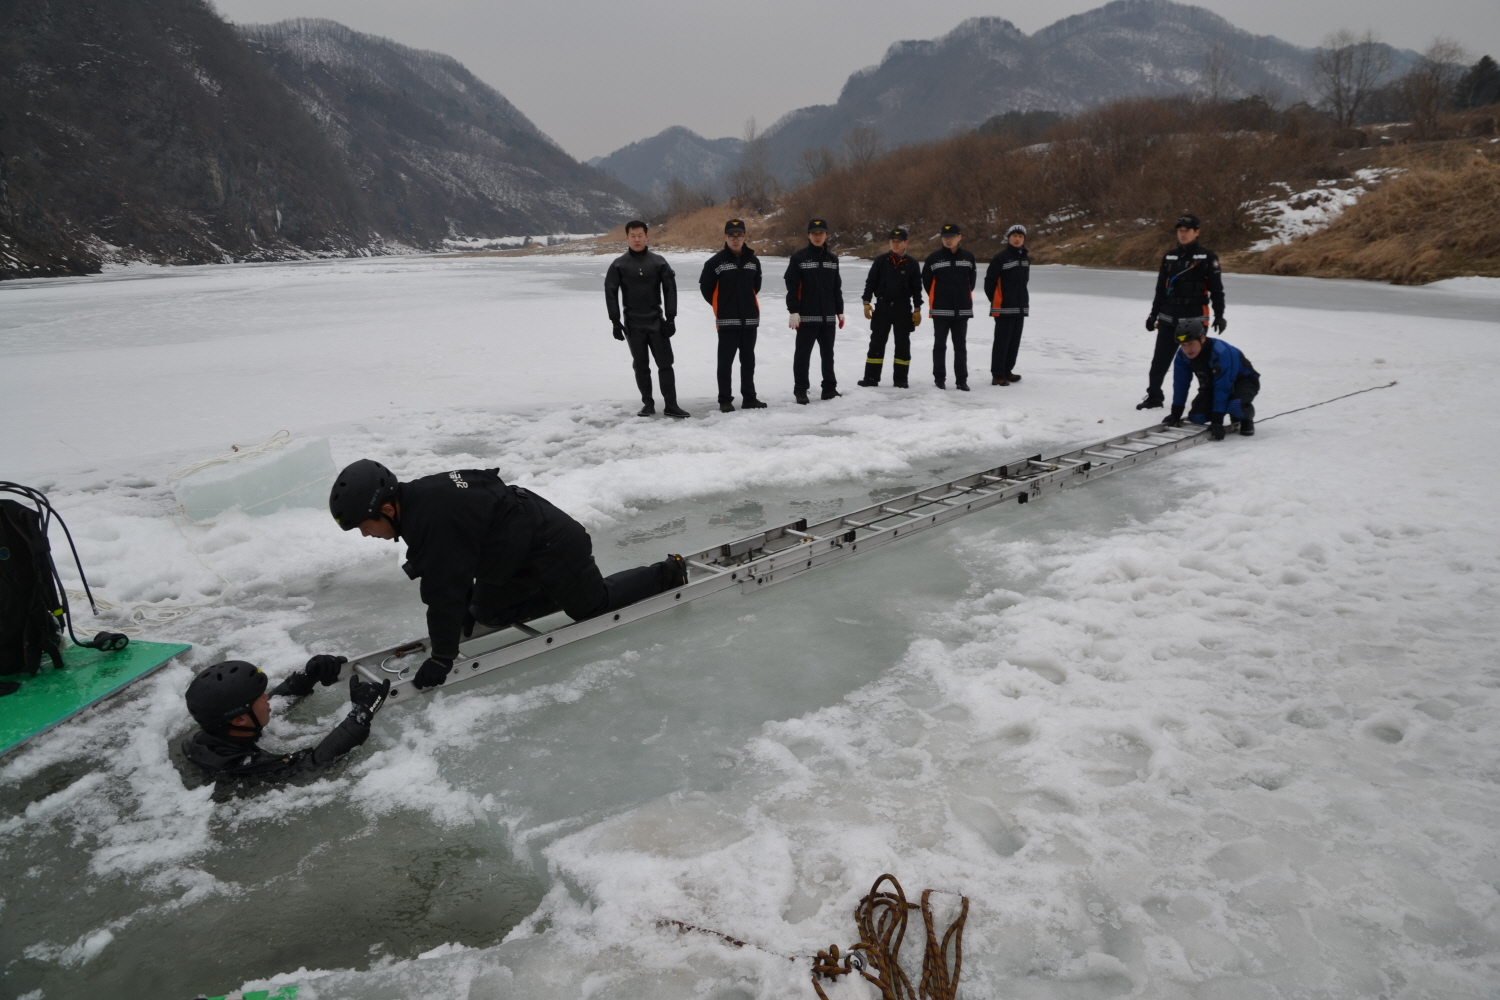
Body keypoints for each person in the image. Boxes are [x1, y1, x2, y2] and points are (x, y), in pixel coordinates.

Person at [330, 460, 688, 690]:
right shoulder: (419, 502)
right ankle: (560, 589)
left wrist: (441, 657)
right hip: (513, 556)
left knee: (591, 607)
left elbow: (443, 591)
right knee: (488, 612)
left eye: (365, 526)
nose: (366, 534)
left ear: (388, 509)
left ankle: (668, 572)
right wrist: (464, 605)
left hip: (552, 545)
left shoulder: (433, 520)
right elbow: (458, 559)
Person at [181, 655, 390, 783]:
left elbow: (271, 705)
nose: (267, 697)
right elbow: (310, 767)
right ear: (239, 720)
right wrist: (360, 716)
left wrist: (305, 677)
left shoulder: (223, 730)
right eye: (259, 698)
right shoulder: (236, 766)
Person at [1139, 212, 1226, 410]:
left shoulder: (1207, 257)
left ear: (1197, 232)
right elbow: (1160, 289)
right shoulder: (1170, 256)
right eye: (1180, 231)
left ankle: (1207, 398)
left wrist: (1220, 315)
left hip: (1195, 318)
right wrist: (1153, 315)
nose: (1182, 234)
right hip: (1169, 316)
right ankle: (1154, 396)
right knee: (1159, 360)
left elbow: (1216, 290)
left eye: (1187, 230)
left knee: (1199, 361)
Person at [606, 220, 688, 418]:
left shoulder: (658, 262)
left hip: (656, 321)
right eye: (633, 236)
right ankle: (648, 404)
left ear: (647, 236)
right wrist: (615, 321)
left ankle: (671, 405)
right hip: (633, 324)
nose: (637, 239)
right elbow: (610, 292)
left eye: (640, 235)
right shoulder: (619, 264)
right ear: (627, 238)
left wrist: (671, 318)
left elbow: (670, 289)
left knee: (665, 364)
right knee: (641, 365)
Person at [699, 219, 767, 413]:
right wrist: (722, 306)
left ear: (744, 236)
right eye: (731, 236)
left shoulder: (753, 261)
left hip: (749, 321)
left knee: (748, 362)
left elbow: (756, 286)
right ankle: (725, 400)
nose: (735, 239)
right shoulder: (715, 262)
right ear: (725, 237)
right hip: (727, 321)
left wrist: (746, 303)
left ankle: (749, 398)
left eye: (739, 235)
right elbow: (706, 288)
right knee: (725, 363)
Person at [784, 218, 845, 404]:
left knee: (828, 355)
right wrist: (793, 310)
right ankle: (801, 390)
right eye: (814, 233)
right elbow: (792, 286)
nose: (818, 237)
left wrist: (839, 310)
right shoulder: (799, 258)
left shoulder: (832, 259)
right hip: (806, 317)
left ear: (826, 235)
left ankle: (829, 389)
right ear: (808, 235)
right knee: (802, 356)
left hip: (827, 318)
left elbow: (836, 287)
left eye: (821, 233)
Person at [1162, 323, 1259, 438]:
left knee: (1235, 406)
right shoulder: (1182, 356)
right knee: (1197, 417)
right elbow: (1180, 384)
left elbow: (1223, 387)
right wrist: (1176, 413)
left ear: (1202, 338)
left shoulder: (1221, 352)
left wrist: (1217, 421)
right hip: (1213, 385)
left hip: (1243, 381)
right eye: (1183, 344)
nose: (1187, 349)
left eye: (1191, 343)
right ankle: (1230, 407)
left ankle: (1245, 418)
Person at [857, 226, 923, 388]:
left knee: (902, 344)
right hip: (882, 306)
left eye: (899, 241)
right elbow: (871, 282)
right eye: (893, 241)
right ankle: (871, 378)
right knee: (877, 342)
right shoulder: (881, 261)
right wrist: (866, 302)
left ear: (906, 243)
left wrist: (917, 309)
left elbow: (917, 288)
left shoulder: (912, 264)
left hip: (902, 308)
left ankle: (901, 379)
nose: (895, 244)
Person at [922, 223, 977, 391]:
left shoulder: (968, 257)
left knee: (960, 346)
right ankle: (939, 379)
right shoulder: (933, 258)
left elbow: (971, 282)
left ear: (959, 237)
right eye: (945, 237)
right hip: (941, 309)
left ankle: (961, 380)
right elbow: (927, 281)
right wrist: (940, 297)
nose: (948, 240)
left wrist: (962, 296)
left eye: (951, 237)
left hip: (962, 309)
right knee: (939, 345)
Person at [984, 224, 1030, 386]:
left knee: (1014, 341)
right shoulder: (1001, 257)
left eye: (1020, 236)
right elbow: (989, 282)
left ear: (1024, 239)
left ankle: (1007, 371)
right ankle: (997, 374)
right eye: (1014, 236)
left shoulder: (1025, 258)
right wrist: (997, 300)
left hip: (1020, 306)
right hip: (1003, 307)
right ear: (1009, 238)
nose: (1017, 239)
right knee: (1002, 342)